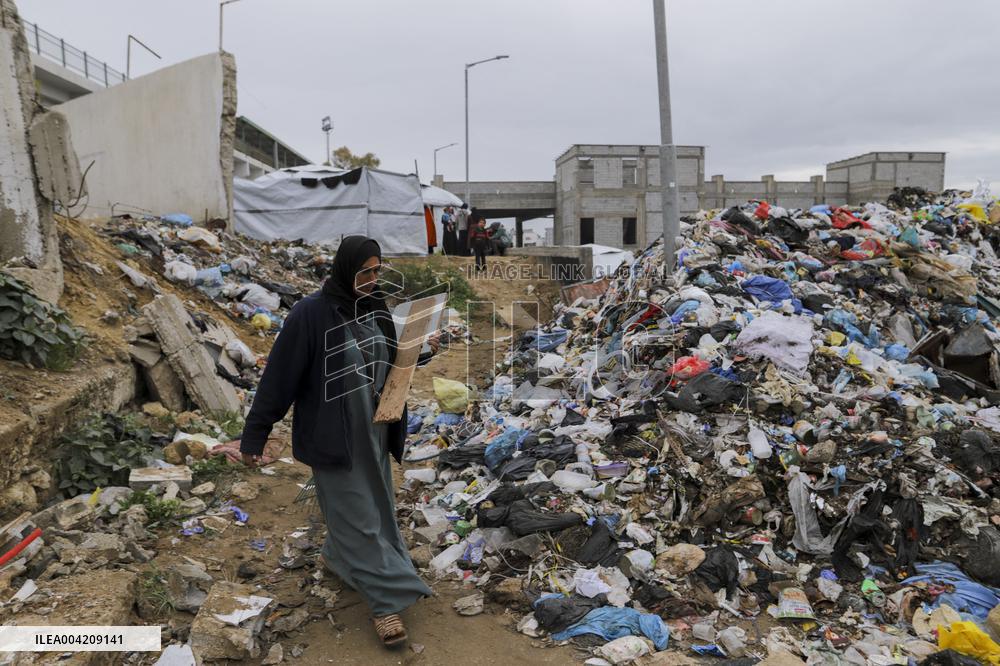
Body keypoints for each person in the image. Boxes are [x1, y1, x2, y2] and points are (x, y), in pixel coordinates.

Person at [239, 236, 439, 648]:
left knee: (376, 510)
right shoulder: (310, 315)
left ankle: (335, 556)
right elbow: (278, 378)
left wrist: (422, 351)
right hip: (333, 435)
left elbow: (388, 357)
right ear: (345, 269)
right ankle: (386, 603)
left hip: (375, 431)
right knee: (358, 516)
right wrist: (256, 433)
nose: (372, 278)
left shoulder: (375, 308)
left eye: (377, 270)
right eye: (365, 270)